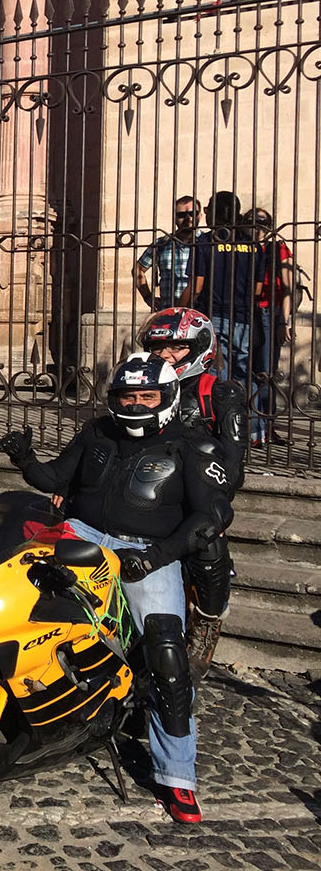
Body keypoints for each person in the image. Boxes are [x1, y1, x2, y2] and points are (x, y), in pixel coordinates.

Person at [0, 353, 234, 824]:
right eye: (127, 395)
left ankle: (177, 776)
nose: (136, 403)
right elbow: (55, 479)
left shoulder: (191, 446)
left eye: (146, 395)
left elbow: (210, 518)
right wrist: (24, 457)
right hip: (81, 537)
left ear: (166, 398)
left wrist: (155, 557)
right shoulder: (96, 432)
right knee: (11, 601)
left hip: (148, 552)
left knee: (167, 654)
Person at [138, 307, 246, 677]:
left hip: (195, 491)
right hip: (142, 486)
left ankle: (205, 623)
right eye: (159, 347)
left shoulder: (218, 392)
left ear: (199, 347)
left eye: (177, 348)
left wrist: (209, 499)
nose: (166, 355)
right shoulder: (141, 383)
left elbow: (233, 464)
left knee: (208, 542)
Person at [181, 191, 262, 386]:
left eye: (208, 209)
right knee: (243, 372)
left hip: (214, 315)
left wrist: (179, 311)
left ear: (214, 214)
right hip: (244, 318)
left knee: (218, 373)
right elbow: (257, 291)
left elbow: (196, 288)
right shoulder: (253, 245)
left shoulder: (205, 242)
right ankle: (250, 415)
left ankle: (223, 414)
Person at [246, 208, 293, 445]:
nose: (256, 227)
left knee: (265, 373)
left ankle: (267, 427)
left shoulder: (278, 248)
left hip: (267, 313)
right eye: (251, 222)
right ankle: (253, 427)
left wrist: (283, 321)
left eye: (262, 223)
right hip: (244, 313)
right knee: (245, 372)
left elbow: (288, 288)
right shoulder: (243, 247)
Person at [137, 196, 201, 310]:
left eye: (193, 213)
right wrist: (148, 297)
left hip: (200, 312)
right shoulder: (162, 244)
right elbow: (138, 269)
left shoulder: (206, 243)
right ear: (175, 218)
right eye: (181, 215)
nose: (188, 218)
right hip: (169, 312)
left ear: (200, 215)